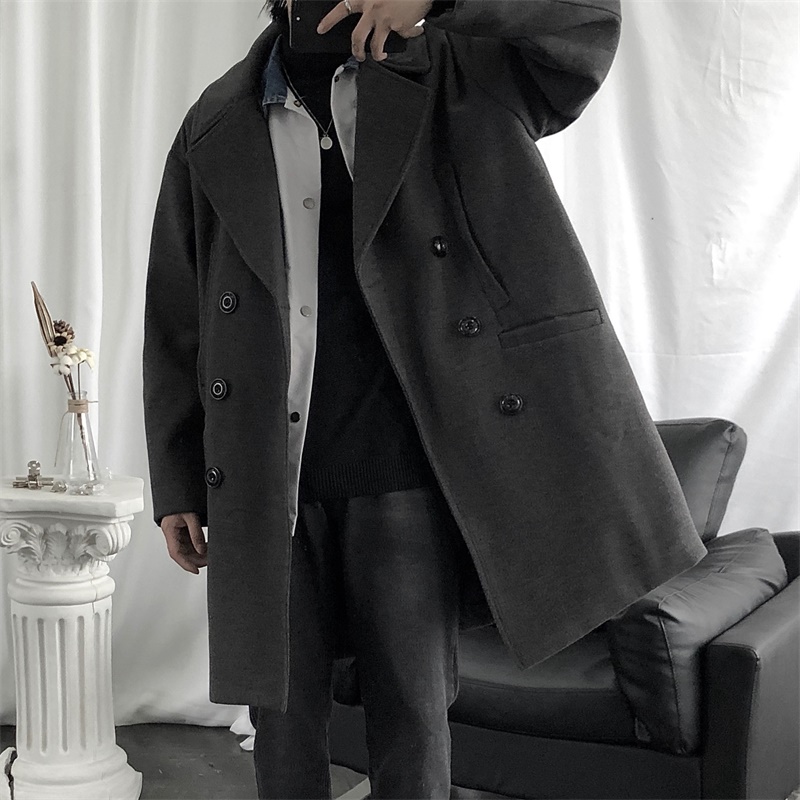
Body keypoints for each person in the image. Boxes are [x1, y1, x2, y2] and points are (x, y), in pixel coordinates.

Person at [143, 0, 706, 797]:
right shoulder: (216, 121)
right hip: (266, 476)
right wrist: (177, 478)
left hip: (404, 470)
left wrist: (439, 0)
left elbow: (586, 21)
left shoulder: (460, 66)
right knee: (281, 725)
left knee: (413, 721)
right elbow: (176, 314)